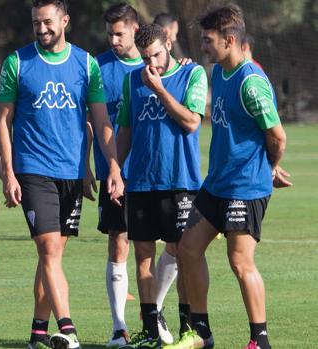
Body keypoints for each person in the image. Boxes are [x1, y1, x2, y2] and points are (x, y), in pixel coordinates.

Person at [0, 1, 125, 348]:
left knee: (50, 257)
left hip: (70, 172)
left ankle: (38, 331)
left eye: (48, 22)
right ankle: (68, 330)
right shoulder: (17, 63)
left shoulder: (86, 64)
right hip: (32, 169)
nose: (41, 29)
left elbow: (100, 121)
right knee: (49, 249)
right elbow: (3, 120)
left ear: (65, 20)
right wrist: (8, 173)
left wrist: (109, 166)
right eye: (36, 23)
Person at [169, 6, 291, 349]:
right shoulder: (219, 74)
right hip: (216, 184)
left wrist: (268, 167)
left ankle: (260, 341)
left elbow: (277, 135)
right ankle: (203, 334)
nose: (204, 47)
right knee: (187, 249)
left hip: (245, 188)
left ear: (230, 40)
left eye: (208, 41)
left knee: (239, 261)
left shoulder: (250, 82)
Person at [115, 23, 208, 349]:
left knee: (183, 254)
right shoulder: (131, 81)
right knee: (142, 256)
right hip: (141, 181)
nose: (150, 63)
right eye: (144, 58)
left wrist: (159, 89)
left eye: (155, 54)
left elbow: (192, 122)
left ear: (168, 43)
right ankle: (151, 329)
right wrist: (115, 167)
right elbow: (124, 129)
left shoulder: (192, 75)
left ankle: (186, 329)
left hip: (180, 181)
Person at [85, 3, 144, 348]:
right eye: (109, 34)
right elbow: (90, 122)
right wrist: (87, 167)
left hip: (154, 173)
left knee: (167, 247)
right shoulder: (97, 68)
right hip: (114, 174)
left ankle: (154, 317)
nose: (113, 40)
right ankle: (119, 327)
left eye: (119, 33)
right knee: (119, 242)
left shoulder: (156, 66)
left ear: (135, 30)